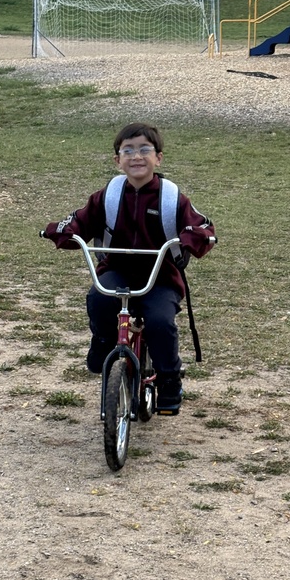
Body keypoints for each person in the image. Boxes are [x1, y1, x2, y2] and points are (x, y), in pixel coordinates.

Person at [42, 122, 216, 415]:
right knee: (98, 300)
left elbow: (201, 226)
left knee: (160, 322)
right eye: (128, 151)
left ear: (158, 158)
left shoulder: (172, 197)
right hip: (117, 269)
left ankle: (169, 377)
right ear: (117, 160)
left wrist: (193, 238)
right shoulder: (107, 196)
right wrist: (62, 232)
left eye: (145, 149)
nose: (137, 156)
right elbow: (79, 222)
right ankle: (102, 341)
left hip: (160, 276)